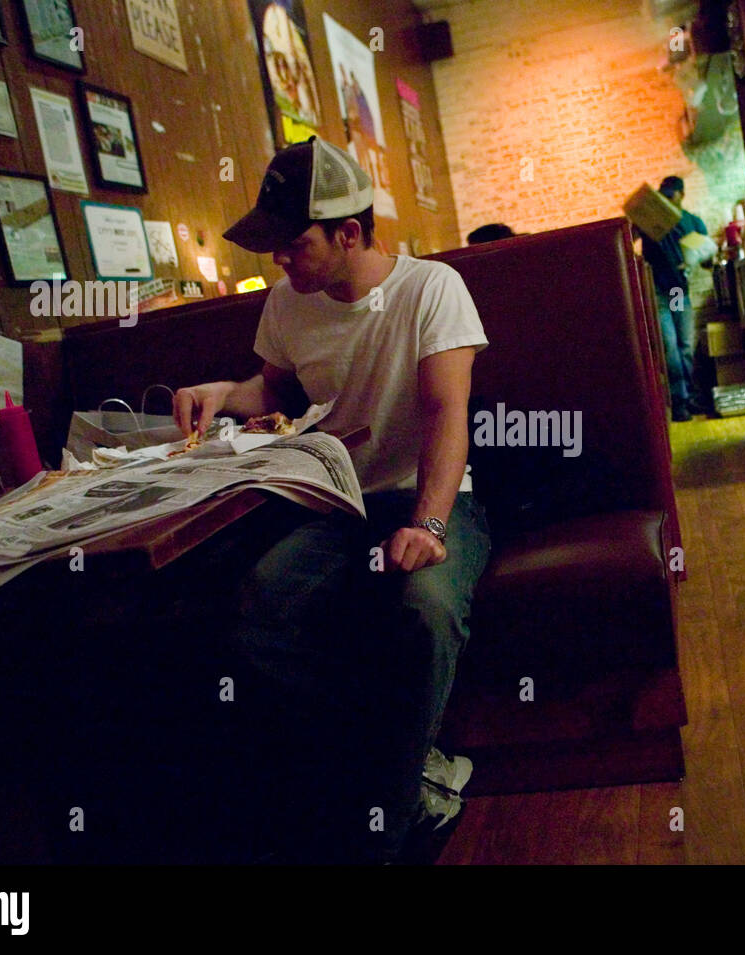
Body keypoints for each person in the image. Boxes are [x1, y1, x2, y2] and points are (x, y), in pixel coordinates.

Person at [173, 137, 491, 862]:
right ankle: (406, 766)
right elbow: (273, 392)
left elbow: (448, 412)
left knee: (427, 607)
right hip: (339, 504)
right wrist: (221, 394)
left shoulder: (429, 289)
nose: (278, 260)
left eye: (293, 244)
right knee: (254, 613)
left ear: (350, 233)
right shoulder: (289, 304)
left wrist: (431, 525)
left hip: (430, 497)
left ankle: (377, 832)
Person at [635, 175, 712, 421]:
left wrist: (699, 257)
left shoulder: (691, 222)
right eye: (663, 194)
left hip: (677, 291)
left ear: (681, 194)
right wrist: (637, 219)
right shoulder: (653, 221)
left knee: (684, 346)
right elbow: (629, 238)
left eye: (671, 194)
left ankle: (688, 398)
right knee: (671, 348)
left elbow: (707, 259)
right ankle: (679, 402)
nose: (667, 199)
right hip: (659, 291)